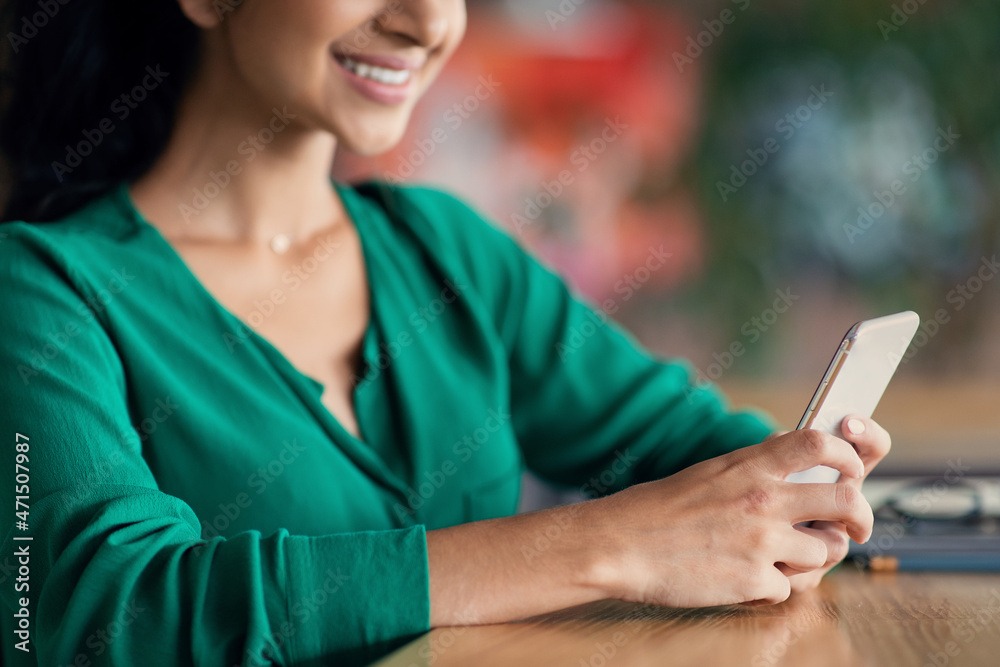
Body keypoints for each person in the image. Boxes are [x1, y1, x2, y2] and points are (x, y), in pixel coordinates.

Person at [0, 1, 888, 665]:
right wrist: (609, 547)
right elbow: (97, 612)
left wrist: (791, 491)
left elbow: (690, 446)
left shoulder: (444, 249)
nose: (427, 22)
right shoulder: (41, 287)